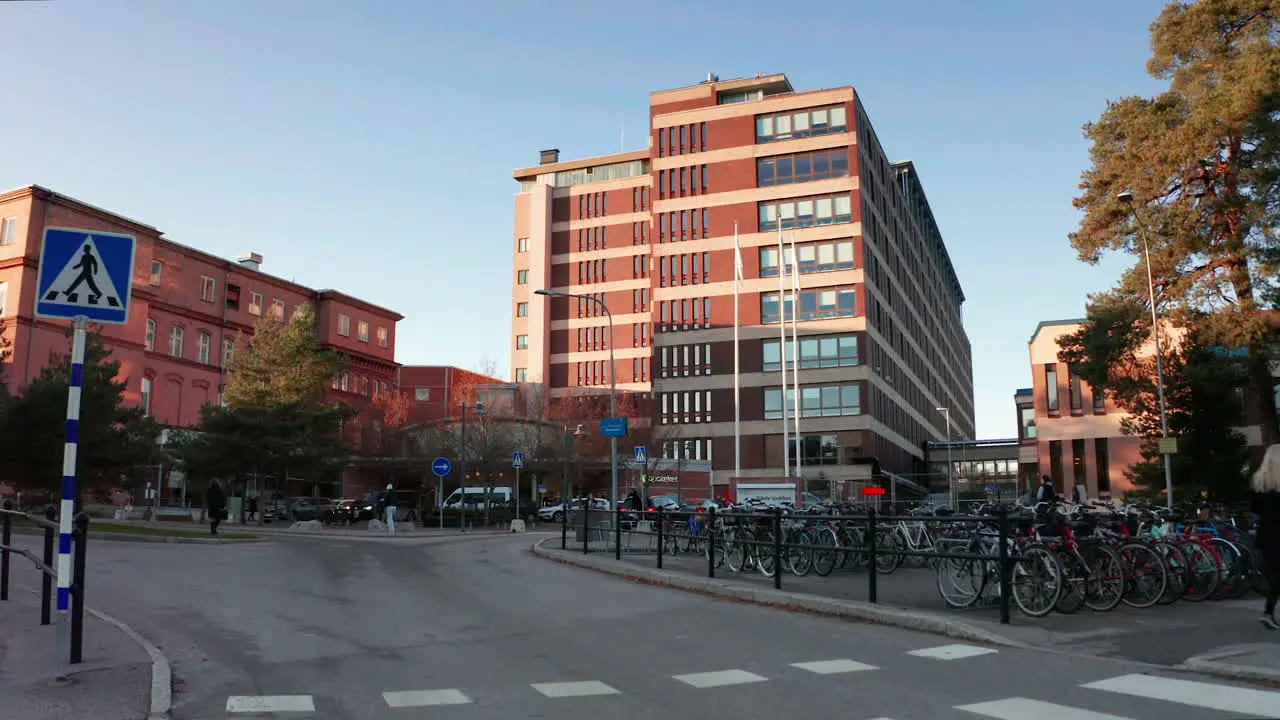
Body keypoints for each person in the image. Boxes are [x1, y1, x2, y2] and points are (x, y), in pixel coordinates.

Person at [1251, 442, 1280, 630]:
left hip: (1266, 536)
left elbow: (1254, 509)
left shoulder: (1259, 482)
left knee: (1276, 575)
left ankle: (1268, 612)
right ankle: (1268, 612)